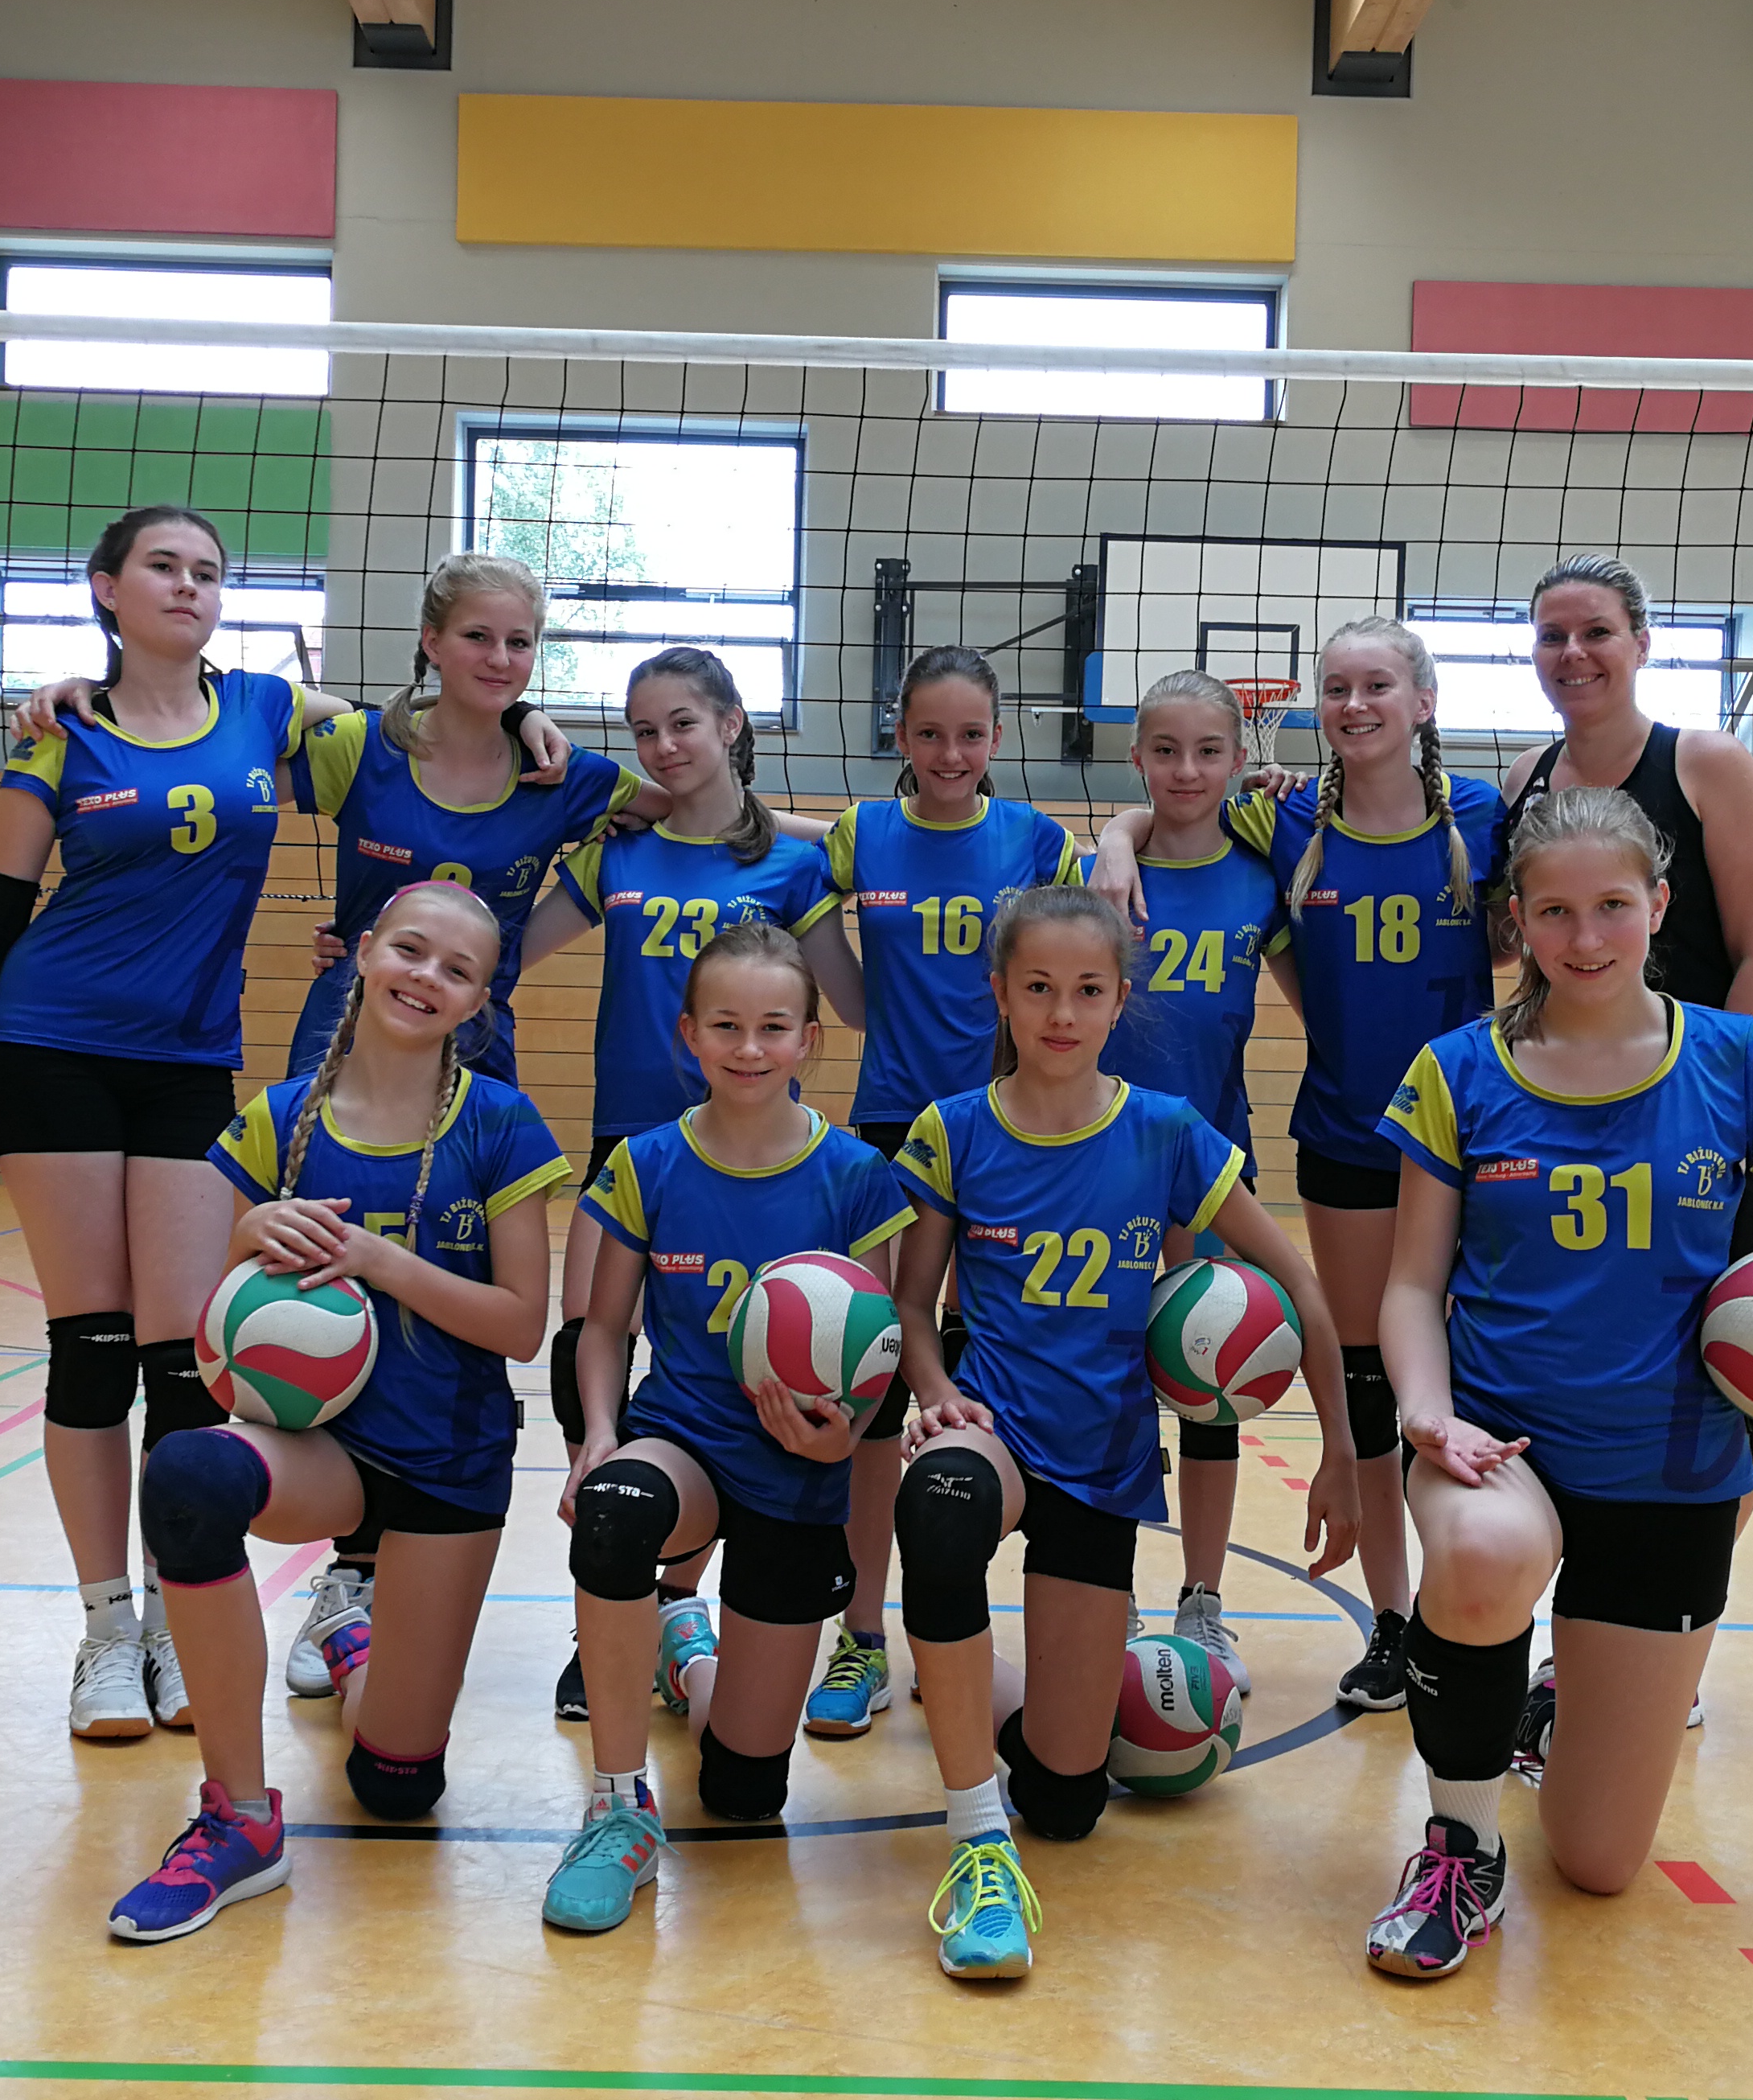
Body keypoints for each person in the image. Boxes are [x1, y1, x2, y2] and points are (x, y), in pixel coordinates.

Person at [9, 552, 605, 1714]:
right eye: (476, 638)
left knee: (442, 1318)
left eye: (520, 644)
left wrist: (864, 832)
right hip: (339, 1051)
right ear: (429, 641)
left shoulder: (563, 774)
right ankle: (336, 1575)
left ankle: (387, 1558)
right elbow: (216, 728)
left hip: (472, 1065)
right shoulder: (358, 751)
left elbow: (694, 805)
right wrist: (81, 697)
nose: (499, 660)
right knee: (312, 1296)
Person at [1364, 786, 1753, 1979]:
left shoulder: (1737, 1060)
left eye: (1612, 906)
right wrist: (1426, 1414)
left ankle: (1550, 1711)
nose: (1585, 938)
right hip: (1499, 1447)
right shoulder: (1459, 1071)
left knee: (1598, 1862)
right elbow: (1410, 1287)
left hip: (1668, 1474)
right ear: (1517, 922)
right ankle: (1459, 1844)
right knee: (1480, 1559)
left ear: (1659, 906)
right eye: (1554, 912)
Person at [886, 886, 1361, 1979]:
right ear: (999, 994)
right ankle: (974, 1838)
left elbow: (1299, 1282)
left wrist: (1338, 1449)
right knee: (940, 1509)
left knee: (1066, 1798)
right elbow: (911, 1305)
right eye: (1038, 988)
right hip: (992, 1424)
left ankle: (982, 1684)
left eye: (1087, 991)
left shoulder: (1165, 1131)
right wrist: (935, 1391)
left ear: (1117, 1000)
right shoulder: (952, 1129)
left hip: (1100, 1459)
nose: (1062, 1013)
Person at [0, 504, 347, 1742]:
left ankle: (178, 1614)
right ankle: (106, 1630)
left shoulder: (269, 710)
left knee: (185, 1359)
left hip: (188, 1063)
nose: (189, 585)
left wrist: (528, 721)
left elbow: (413, 749)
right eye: (163, 566)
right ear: (108, 589)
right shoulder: (60, 735)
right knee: (91, 1349)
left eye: (208, 572)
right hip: (50, 1049)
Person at [104, 882, 568, 1944]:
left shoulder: (499, 1124)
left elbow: (518, 1326)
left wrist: (377, 1260)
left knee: (396, 1786)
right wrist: (248, 1236)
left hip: (448, 1460)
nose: (426, 977)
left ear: (480, 1000)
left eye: (457, 970)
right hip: (321, 1449)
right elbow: (219, 1317)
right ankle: (239, 1818)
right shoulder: (278, 1121)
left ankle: (357, 1646)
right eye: (409, 949)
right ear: (361, 953)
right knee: (187, 1475)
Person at [1092, 620, 1500, 1720]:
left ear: (1423, 700)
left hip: (1482, 1141)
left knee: (1484, 1383)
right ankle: (1394, 1622)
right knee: (1370, 1382)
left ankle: (1489, 1622)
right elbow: (1168, 809)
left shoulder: (1483, 817)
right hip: (1346, 1138)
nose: (1354, 704)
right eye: (1336, 688)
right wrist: (1117, 835)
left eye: (1377, 685)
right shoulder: (1283, 823)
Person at [540, 924, 916, 1934]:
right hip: (685, 1442)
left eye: (773, 1028)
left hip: (797, 1470)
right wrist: (599, 1436)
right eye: (725, 1026)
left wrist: (841, 1436)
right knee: (614, 1513)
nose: (749, 1048)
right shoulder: (647, 1162)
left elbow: (876, 1354)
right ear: (688, 1034)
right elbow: (602, 1328)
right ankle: (616, 1808)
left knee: (743, 1793)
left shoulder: (855, 1175)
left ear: (808, 1041)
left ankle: (683, 1652)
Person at [515, 646, 865, 1720]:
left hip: (761, 1161)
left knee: (741, 1359)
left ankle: (683, 1600)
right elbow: (504, 952)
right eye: (644, 730)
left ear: (730, 725)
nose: (663, 747)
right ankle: (615, 1608)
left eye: (682, 724)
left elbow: (855, 1004)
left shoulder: (795, 865)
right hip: (634, 1147)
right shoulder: (615, 850)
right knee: (588, 1352)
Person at [1494, 554, 1753, 1746]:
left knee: (1743, 1405)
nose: (1573, 654)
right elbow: (1509, 947)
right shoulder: (1526, 780)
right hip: (1571, 1136)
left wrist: (1730, 1106)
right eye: (1552, 636)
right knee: (1583, 1389)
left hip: (1712, 1131)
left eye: (1596, 633)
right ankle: (1575, 1640)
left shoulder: (1705, 764)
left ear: (1639, 643)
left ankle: (1667, 1652)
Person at [801, 647, 1081, 1745]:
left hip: (1008, 1131)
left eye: (970, 734)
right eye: (929, 734)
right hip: (888, 1125)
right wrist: (857, 1003)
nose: (950, 754)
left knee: (990, 1372)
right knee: (877, 1387)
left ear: (997, 739)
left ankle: (965, 1622)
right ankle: (862, 1633)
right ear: (900, 735)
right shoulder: (861, 833)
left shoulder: (1038, 840)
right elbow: (792, 879)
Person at [1083, 671, 1288, 1692]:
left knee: (1213, 1390)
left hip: (1214, 1169)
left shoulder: (1262, 876)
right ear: (1136, 760)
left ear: (1239, 761)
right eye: (1164, 751)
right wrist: (1115, 839)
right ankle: (1107, 1595)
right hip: (1100, 1174)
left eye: (1209, 751)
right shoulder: (1098, 879)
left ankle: (1201, 1600)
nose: (1186, 770)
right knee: (1114, 1396)